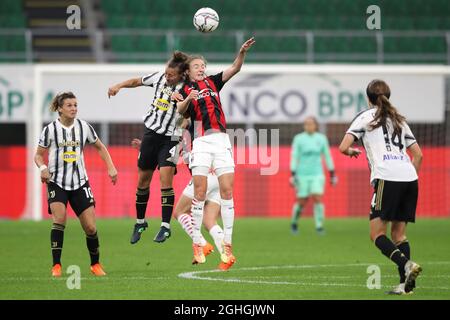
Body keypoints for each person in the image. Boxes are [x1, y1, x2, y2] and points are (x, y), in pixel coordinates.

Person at [339, 79, 423, 295]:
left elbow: (343, 146)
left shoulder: (365, 117)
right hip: (409, 178)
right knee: (399, 235)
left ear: (368, 98)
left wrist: (350, 152)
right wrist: (409, 175)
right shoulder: (399, 120)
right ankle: (406, 286)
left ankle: (406, 264)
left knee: (376, 234)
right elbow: (418, 155)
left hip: (387, 177)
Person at [176, 37, 256, 265]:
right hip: (201, 142)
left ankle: (227, 246)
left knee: (227, 191)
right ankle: (197, 247)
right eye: (196, 66)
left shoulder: (213, 82)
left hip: (221, 140)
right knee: (199, 193)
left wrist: (242, 52)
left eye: (203, 65)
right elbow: (181, 113)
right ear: (189, 71)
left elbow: (235, 68)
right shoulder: (185, 89)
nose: (201, 68)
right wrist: (187, 100)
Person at [108, 51, 189, 244]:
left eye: (172, 75)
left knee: (165, 180)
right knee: (142, 182)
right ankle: (140, 222)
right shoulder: (159, 78)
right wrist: (118, 86)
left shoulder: (187, 89)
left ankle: (165, 226)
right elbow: (137, 81)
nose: (168, 77)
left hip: (170, 139)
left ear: (181, 75)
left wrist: (181, 135)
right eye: (167, 73)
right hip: (151, 135)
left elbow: (188, 117)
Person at [34, 92, 118, 277]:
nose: (74, 108)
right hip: (57, 182)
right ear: (60, 108)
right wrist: (42, 168)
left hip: (80, 182)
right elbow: (38, 155)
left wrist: (111, 167)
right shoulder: (50, 130)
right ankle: (56, 266)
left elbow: (100, 147)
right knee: (60, 218)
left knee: (90, 227)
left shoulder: (84, 127)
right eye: (70, 105)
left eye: (75, 105)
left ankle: (95, 264)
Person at [131, 137, 231, 270]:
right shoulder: (201, 132)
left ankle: (202, 244)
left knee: (179, 212)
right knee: (209, 221)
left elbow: (168, 151)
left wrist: (147, 148)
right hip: (218, 175)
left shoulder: (183, 132)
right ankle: (227, 257)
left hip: (204, 176)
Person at [290, 116, 337, 235]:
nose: (308, 126)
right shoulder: (299, 139)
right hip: (302, 174)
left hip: (317, 174)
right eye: (306, 124)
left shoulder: (321, 139)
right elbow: (294, 156)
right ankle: (294, 222)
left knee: (317, 198)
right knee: (302, 200)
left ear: (315, 125)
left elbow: (327, 155)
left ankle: (319, 226)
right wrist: (293, 173)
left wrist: (332, 173)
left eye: (311, 124)